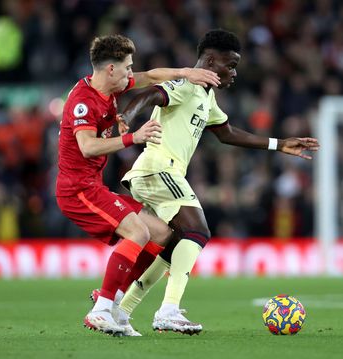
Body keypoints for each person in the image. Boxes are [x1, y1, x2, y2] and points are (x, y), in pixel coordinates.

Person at [92, 29, 319, 335]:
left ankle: (123, 310)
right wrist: (127, 117)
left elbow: (227, 134)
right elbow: (152, 93)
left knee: (173, 242)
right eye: (231, 64)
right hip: (158, 170)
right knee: (198, 229)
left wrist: (279, 144)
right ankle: (168, 310)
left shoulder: (206, 96)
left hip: (163, 174)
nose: (234, 72)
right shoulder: (187, 83)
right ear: (211, 60)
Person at [56, 34, 220, 337]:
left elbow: (152, 75)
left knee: (161, 233)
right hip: (77, 189)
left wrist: (186, 72)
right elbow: (88, 148)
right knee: (138, 231)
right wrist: (135, 137)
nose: (132, 73)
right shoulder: (82, 101)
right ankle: (102, 309)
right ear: (110, 70)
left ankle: (115, 300)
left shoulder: (111, 85)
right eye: (128, 67)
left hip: (93, 186)